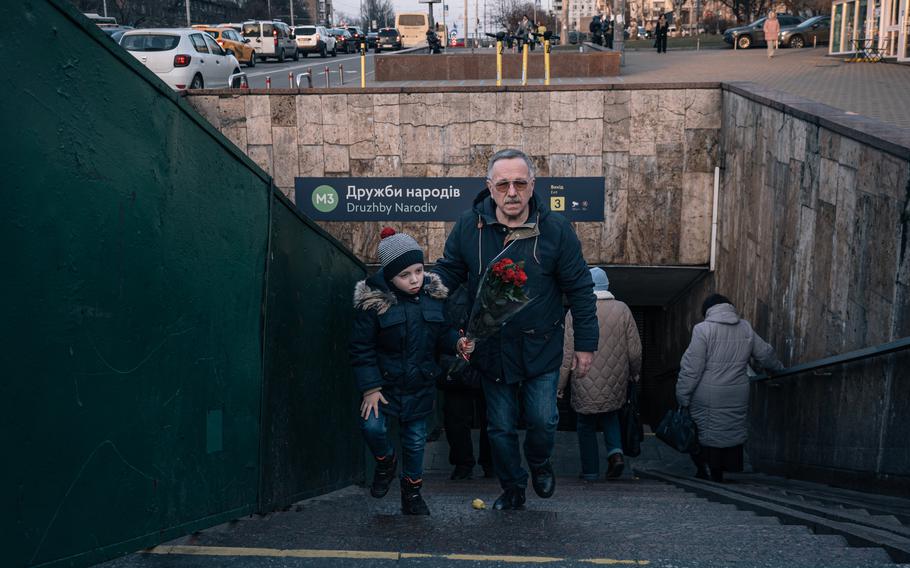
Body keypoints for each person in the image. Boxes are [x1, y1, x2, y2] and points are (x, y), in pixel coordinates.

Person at [434, 148, 598, 510]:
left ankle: (539, 462)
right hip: (492, 350)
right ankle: (513, 488)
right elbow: (449, 273)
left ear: (532, 185)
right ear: (489, 187)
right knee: (500, 429)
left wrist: (586, 344)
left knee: (542, 420)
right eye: (504, 184)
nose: (512, 192)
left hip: (541, 347)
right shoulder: (468, 225)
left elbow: (580, 290)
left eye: (520, 183)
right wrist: (423, 288)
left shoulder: (556, 230)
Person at [350, 227, 474, 515]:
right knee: (372, 427)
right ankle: (385, 463)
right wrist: (370, 388)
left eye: (418, 270)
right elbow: (361, 348)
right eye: (405, 275)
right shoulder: (373, 302)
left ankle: (412, 493)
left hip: (420, 383)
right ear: (390, 276)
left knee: (416, 441)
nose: (415, 279)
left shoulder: (432, 297)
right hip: (385, 385)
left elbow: (440, 332)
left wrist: (457, 343)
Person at [676, 294, 783, 483]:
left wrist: (682, 394)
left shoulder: (702, 330)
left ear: (707, 310)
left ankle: (708, 468)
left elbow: (692, 367)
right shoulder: (745, 327)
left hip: (708, 393)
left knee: (705, 431)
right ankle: (725, 469)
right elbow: (765, 353)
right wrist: (779, 369)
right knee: (730, 430)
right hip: (737, 392)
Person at [558, 268, 641, 480]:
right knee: (611, 415)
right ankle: (616, 454)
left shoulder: (575, 312)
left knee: (585, 424)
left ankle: (591, 472)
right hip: (616, 378)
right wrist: (635, 372)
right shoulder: (622, 310)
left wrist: (560, 384)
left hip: (584, 377)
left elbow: (567, 352)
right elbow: (634, 349)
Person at [439, 285, 493, 480]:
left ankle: (472, 464)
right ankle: (475, 464)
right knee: (458, 416)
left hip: (476, 359)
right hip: (460, 359)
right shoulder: (450, 287)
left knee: (484, 416)